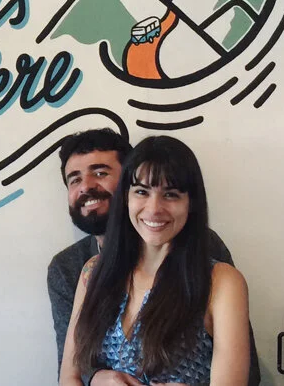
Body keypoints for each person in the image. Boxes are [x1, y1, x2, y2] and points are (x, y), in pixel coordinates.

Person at [47, 129, 259, 385]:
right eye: (142, 192)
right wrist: (95, 379)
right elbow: (69, 375)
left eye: (171, 194)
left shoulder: (221, 280)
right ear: (126, 196)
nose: (154, 209)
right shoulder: (92, 272)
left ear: (191, 203)